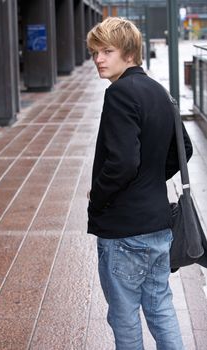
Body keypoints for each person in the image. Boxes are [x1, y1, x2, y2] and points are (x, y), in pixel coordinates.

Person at [86, 17, 193, 350]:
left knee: (124, 315)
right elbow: (184, 149)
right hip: (158, 224)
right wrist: (149, 180)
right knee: (160, 307)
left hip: (124, 231)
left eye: (107, 51)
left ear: (129, 53)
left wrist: (97, 199)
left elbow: (122, 162)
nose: (98, 60)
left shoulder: (119, 94)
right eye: (94, 53)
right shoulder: (158, 90)